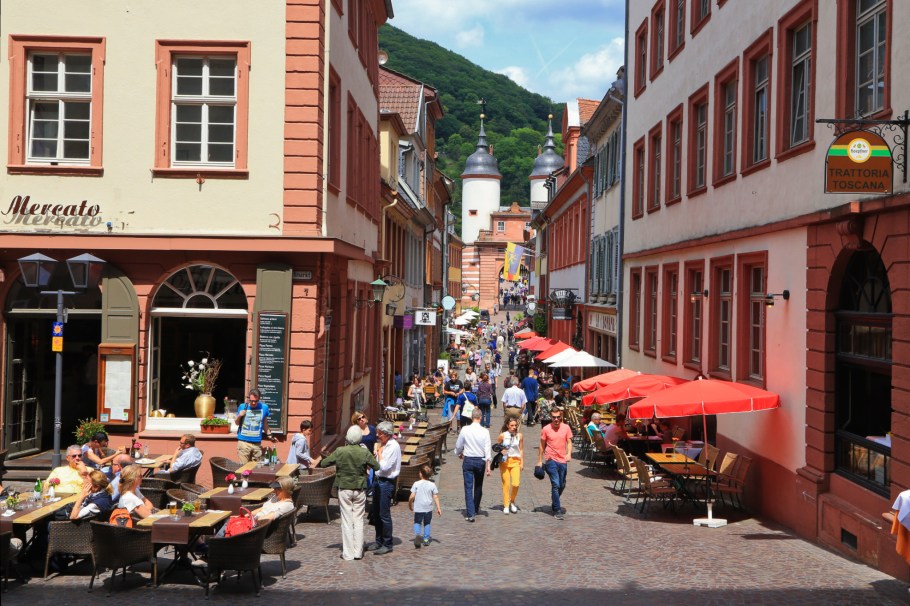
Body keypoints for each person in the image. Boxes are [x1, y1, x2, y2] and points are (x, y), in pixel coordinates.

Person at [319, 425, 380, 560]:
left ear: (347, 437)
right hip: (359, 488)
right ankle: (358, 552)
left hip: (344, 487)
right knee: (358, 520)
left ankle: (348, 553)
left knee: (347, 520)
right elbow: (376, 466)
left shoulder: (341, 450)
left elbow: (324, 463)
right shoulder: (363, 452)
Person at [367, 421, 400, 555]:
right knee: (376, 512)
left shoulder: (392, 446)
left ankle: (387, 543)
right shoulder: (384, 444)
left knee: (384, 514)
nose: (377, 436)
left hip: (386, 482)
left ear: (386, 434)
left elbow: (384, 467)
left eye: (379, 434)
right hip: (378, 480)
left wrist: (379, 453)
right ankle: (379, 540)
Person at [454, 408, 492, 522]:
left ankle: (470, 513)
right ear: (480, 418)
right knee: (478, 485)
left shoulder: (465, 429)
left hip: (468, 460)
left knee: (468, 487)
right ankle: (475, 508)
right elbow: (488, 449)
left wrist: (458, 453)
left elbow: (459, 445)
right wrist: (488, 465)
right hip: (480, 460)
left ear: (471, 417)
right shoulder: (485, 431)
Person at [536, 407, 573, 520]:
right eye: (554, 417)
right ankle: (557, 509)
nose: (556, 419)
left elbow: (569, 441)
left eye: (558, 417)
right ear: (550, 417)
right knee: (556, 484)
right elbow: (542, 445)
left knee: (562, 485)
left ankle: (554, 501)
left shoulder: (566, 427)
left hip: (562, 460)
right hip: (550, 459)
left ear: (561, 416)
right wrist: (539, 460)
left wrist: (569, 453)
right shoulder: (546, 429)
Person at [235, 388, 277, 463]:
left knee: (255, 469)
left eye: (256, 401)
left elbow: (265, 424)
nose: (253, 403)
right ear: (248, 399)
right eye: (251, 401)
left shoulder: (264, 407)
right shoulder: (242, 407)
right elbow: (237, 423)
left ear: (259, 399)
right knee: (243, 470)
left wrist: (271, 436)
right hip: (244, 443)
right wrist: (239, 415)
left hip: (257, 444)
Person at [409, 465, 442, 548]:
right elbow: (435, 497)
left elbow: (412, 496)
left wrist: (410, 504)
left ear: (420, 474)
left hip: (419, 508)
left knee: (417, 522)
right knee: (427, 523)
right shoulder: (432, 485)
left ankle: (417, 535)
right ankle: (426, 540)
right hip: (428, 508)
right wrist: (438, 508)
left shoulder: (416, 484)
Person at [497, 418, 524, 514]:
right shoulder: (503, 435)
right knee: (506, 484)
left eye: (515, 425)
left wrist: (522, 462)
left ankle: (512, 500)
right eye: (512, 425)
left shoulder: (519, 436)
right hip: (505, 462)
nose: (514, 427)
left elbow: (521, 449)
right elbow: (497, 446)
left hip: (515, 461)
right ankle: (506, 504)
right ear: (508, 426)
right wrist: (501, 450)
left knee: (516, 483)